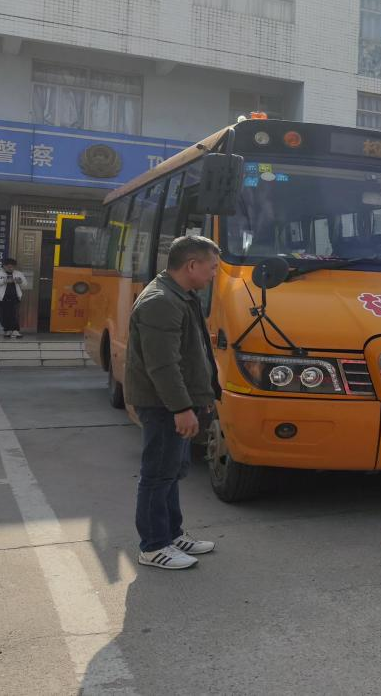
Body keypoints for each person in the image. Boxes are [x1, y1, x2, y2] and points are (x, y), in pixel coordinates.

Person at [125, 235, 222, 570]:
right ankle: (153, 546)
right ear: (192, 265)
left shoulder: (181, 295)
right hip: (164, 405)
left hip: (179, 401)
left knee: (171, 471)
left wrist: (202, 398)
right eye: (211, 268)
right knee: (157, 474)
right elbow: (163, 365)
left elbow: (192, 354)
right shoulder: (161, 301)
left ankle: (172, 533)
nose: (213, 275)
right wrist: (181, 408)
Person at [0, 258, 28, 339]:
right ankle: (7, 330)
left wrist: (20, 281)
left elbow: (25, 285)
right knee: (3, 315)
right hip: (1, 298)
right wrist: (5, 281)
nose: (11, 268)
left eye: (13, 267)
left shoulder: (18, 273)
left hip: (15, 297)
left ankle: (15, 331)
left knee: (15, 314)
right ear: (4, 266)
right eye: (9, 267)